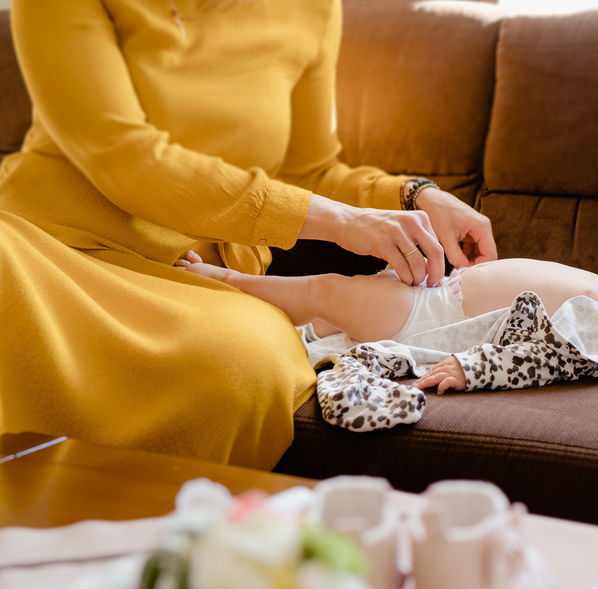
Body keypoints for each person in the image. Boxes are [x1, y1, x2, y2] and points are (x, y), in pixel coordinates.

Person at [0, 0, 497, 466]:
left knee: (244, 370)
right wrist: (343, 221)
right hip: (46, 248)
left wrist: (417, 195)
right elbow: (122, 155)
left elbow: (310, 171)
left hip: (201, 282)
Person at [175, 251, 598, 430]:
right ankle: (225, 306)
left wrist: (474, 369)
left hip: (431, 316)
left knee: (328, 292)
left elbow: (543, 360)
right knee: (326, 309)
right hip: (442, 295)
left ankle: (218, 281)